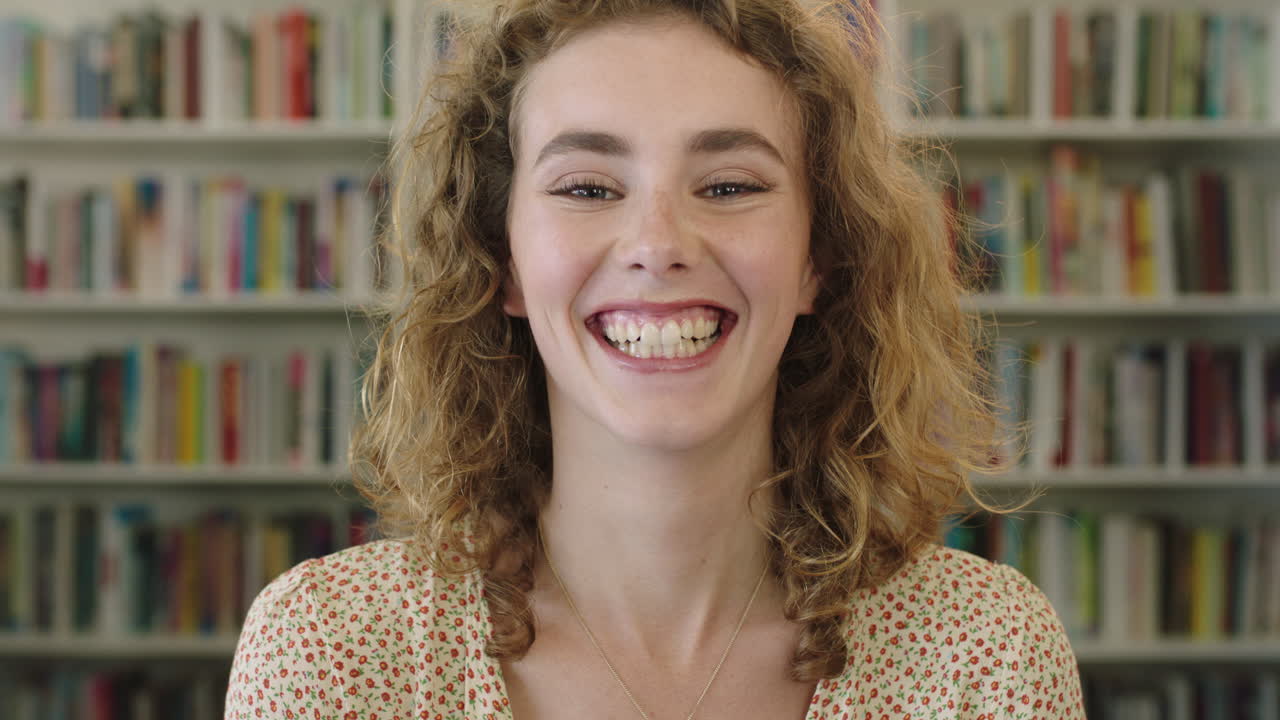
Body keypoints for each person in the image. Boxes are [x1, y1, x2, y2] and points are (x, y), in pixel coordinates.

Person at [224, 0, 1085, 718]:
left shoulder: (986, 654)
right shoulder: (328, 649)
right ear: (504, 262)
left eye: (730, 185)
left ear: (818, 259)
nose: (658, 244)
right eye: (587, 188)